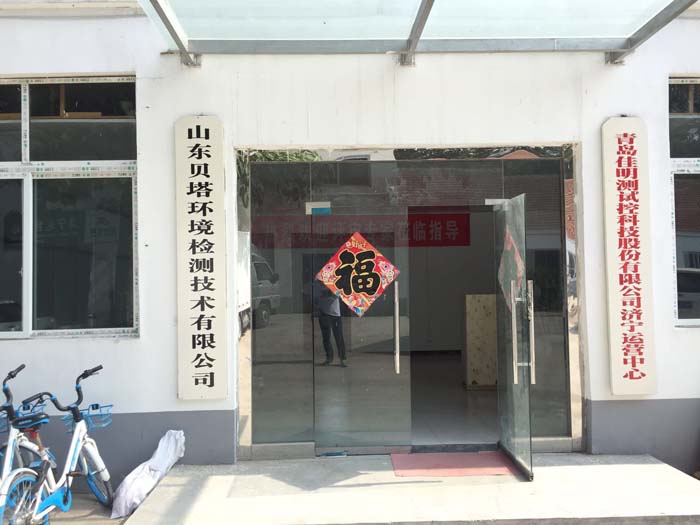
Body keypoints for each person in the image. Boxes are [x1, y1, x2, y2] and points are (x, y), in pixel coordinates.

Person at [316, 280, 347, 367]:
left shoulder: (335, 283)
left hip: (335, 314)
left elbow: (337, 294)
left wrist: (328, 292)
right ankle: (329, 358)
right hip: (323, 313)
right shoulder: (318, 284)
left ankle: (342, 358)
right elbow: (316, 296)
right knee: (326, 338)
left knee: (338, 337)